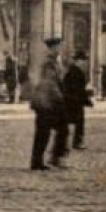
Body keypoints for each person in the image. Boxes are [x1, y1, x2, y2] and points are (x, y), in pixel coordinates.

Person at [29, 37, 68, 170]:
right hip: (46, 102)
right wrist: (60, 99)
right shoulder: (49, 63)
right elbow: (50, 83)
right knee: (44, 133)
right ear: (52, 48)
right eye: (58, 47)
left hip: (48, 101)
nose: (60, 49)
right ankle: (39, 162)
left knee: (56, 130)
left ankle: (49, 159)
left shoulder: (55, 62)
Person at [62, 52, 92, 150]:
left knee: (69, 123)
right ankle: (77, 142)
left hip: (71, 101)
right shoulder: (76, 72)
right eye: (83, 60)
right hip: (74, 102)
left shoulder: (72, 71)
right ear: (78, 61)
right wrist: (86, 100)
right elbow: (79, 89)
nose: (84, 63)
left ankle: (69, 143)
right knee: (78, 123)